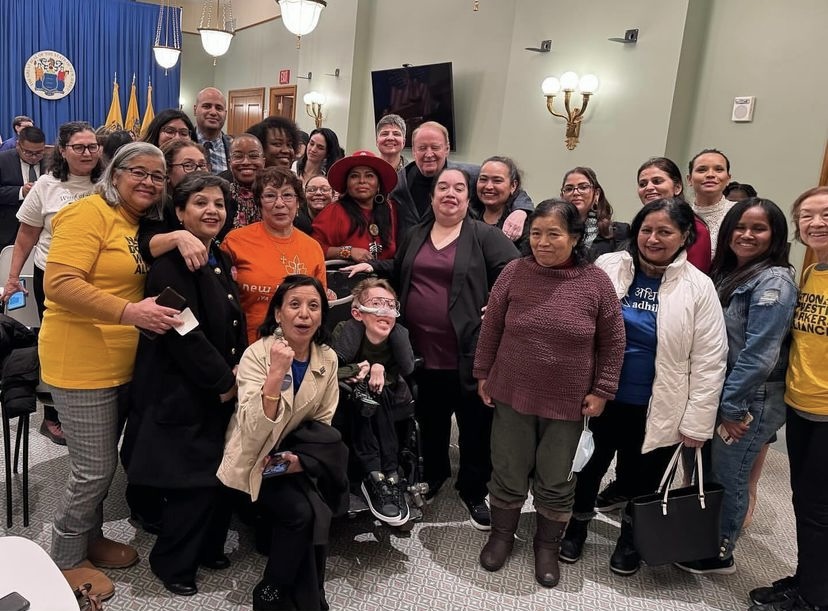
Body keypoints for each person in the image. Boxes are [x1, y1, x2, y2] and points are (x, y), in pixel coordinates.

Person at [40, 142, 183, 601]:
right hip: (79, 362)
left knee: (100, 466)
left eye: (158, 176)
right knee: (93, 470)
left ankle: (89, 539)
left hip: (120, 363)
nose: (148, 181)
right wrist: (130, 312)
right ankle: (64, 557)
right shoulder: (88, 214)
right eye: (138, 171)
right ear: (114, 174)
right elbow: (59, 285)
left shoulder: (134, 223)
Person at [559, 198, 727, 577]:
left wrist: (697, 423)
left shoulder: (698, 288)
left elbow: (710, 360)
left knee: (642, 477)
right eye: (646, 230)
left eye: (665, 231)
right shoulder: (609, 266)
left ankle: (631, 538)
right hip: (600, 396)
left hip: (657, 403)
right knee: (586, 467)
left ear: (684, 236)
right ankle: (577, 525)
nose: (653, 238)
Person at [346, 167, 519, 529]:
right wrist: (371, 265)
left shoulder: (484, 235)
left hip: (467, 353)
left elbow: (516, 272)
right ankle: (436, 475)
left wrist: (501, 303)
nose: (450, 194)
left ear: (467, 198)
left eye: (458, 188)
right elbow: (398, 267)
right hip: (421, 353)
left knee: (474, 427)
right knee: (432, 422)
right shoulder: (417, 233)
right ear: (432, 196)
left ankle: (473, 490)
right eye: (443, 188)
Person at [474, 200, 625, 588]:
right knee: (507, 467)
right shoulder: (514, 271)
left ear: (575, 238)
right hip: (510, 390)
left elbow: (613, 342)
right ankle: (502, 535)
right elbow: (491, 327)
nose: (542, 242)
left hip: (568, 402)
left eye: (554, 234)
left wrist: (603, 389)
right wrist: (482, 373)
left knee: (557, 478)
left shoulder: (595, 283)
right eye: (536, 233)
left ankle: (546, 545)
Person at [120, 173, 245, 596]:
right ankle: (171, 562)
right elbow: (183, 331)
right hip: (183, 388)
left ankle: (208, 547)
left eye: (219, 205)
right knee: (192, 482)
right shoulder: (169, 265)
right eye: (200, 203)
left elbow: (229, 320)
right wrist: (223, 380)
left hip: (216, 386)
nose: (212, 211)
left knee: (218, 475)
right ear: (179, 213)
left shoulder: (218, 256)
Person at [674, 198, 796, 576]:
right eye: (740, 227)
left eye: (758, 229)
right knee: (704, 470)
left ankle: (720, 551)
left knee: (730, 475)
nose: (746, 235)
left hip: (748, 398)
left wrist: (730, 408)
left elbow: (759, 356)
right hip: (720, 389)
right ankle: (699, 536)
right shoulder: (729, 273)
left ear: (774, 235)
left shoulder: (773, 281)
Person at [217, 275, 347, 611]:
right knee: (301, 513)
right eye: (294, 305)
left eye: (313, 306)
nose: (304, 314)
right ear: (277, 314)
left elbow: (324, 422)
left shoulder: (327, 358)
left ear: (321, 316)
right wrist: (276, 373)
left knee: (320, 509)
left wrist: (300, 460)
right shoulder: (257, 355)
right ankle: (270, 589)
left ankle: (287, 585)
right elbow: (252, 430)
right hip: (257, 457)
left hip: (300, 453)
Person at [747, 186, 828, 611]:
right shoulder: (812, 272)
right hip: (803, 404)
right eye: (807, 215)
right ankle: (810, 579)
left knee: (819, 509)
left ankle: (814, 598)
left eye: (826, 213)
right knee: (809, 503)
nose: (816, 223)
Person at [1, 121, 102, 445]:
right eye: (79, 147)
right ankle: (54, 415)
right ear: (62, 151)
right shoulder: (46, 185)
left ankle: (93, 409)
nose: (87, 153)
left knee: (95, 345)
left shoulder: (108, 183)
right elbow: (25, 237)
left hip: (100, 277)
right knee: (60, 345)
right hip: (55, 276)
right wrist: (13, 278)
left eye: (92, 146)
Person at [331, 278, 415, 525]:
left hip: (384, 398)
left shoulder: (397, 336)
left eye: (390, 305)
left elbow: (405, 368)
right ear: (358, 312)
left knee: (380, 393)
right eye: (376, 303)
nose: (384, 310)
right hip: (347, 395)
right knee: (367, 395)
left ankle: (389, 475)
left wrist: (379, 368)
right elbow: (327, 368)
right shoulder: (346, 330)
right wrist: (358, 369)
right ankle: (376, 475)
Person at [221, 166, 326, 345]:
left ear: (298, 202)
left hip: (297, 349)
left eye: (287, 195)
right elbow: (221, 302)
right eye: (270, 195)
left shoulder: (313, 247)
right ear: (259, 202)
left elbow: (319, 307)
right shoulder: (235, 241)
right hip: (245, 347)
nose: (279, 204)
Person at [390, 121, 532, 242]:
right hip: (408, 261)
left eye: (435, 147)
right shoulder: (397, 182)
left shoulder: (470, 175)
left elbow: (511, 190)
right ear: (413, 151)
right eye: (422, 148)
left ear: (447, 149)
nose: (428, 154)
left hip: (454, 260)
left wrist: (520, 211)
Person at [312, 150, 399, 262]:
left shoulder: (391, 210)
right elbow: (313, 248)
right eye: (354, 176)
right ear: (346, 184)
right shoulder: (334, 212)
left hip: (388, 276)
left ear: (378, 184)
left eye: (369, 176)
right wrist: (348, 251)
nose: (362, 181)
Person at [635, 157, 712, 274]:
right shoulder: (639, 223)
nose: (649, 188)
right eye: (643, 184)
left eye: (657, 181)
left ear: (677, 188)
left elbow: (694, 282)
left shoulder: (696, 228)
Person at [560, 166, 628, 261]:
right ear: (562, 196)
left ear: (596, 194)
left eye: (583, 187)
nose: (575, 193)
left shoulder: (619, 232)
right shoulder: (553, 232)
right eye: (569, 189)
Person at [0, 126, 47, 250]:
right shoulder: (2, 160)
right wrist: (21, 192)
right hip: (8, 230)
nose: (34, 157)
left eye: (39, 152)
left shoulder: (52, 162)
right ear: (17, 145)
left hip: (43, 231)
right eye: (28, 152)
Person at [474, 156, 533, 248]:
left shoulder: (524, 224)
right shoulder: (468, 214)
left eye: (497, 181)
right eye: (483, 179)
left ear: (513, 185)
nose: (488, 186)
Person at [688, 148, 734, 255]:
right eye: (702, 170)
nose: (710, 175)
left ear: (728, 179)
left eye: (718, 169)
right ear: (689, 179)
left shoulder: (740, 213)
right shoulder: (680, 215)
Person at [218, 134, 266, 229]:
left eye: (253, 156)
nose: (246, 162)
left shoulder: (274, 192)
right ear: (229, 163)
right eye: (238, 156)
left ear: (263, 162)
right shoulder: (219, 191)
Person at [194, 87, 231, 174]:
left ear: (225, 114)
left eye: (219, 108)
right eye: (207, 106)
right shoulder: (182, 145)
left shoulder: (234, 148)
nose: (213, 112)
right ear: (195, 110)